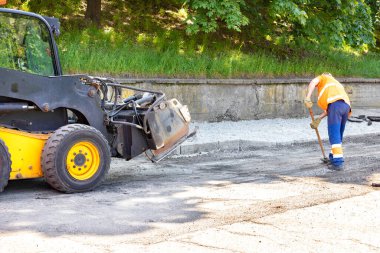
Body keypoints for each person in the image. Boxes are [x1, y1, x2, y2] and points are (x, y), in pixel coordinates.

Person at [304, 73, 351, 170]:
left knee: (334, 134)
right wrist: (319, 118)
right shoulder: (336, 84)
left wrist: (308, 97)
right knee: (339, 133)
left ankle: (338, 162)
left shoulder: (324, 77)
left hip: (335, 106)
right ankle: (333, 156)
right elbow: (331, 108)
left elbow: (313, 82)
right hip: (346, 107)